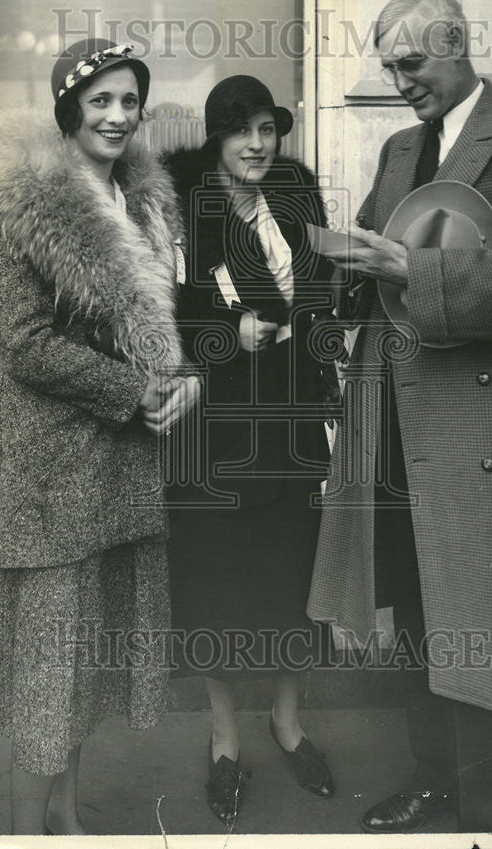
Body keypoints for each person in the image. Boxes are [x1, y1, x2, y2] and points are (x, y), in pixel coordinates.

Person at [307, 0, 492, 833]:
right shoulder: (400, 150)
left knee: (481, 612)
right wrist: (340, 272)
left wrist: (411, 273)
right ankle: (436, 781)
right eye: (389, 66)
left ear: (458, 43)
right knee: (415, 604)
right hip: (394, 416)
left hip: (481, 426)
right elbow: (372, 248)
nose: (400, 81)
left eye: (413, 63)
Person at [0, 38, 200, 835]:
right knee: (46, 678)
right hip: (58, 472)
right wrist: (134, 390)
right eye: (99, 99)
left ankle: (66, 824)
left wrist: (181, 381)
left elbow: (163, 329)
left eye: (129, 101)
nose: (116, 115)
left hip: (123, 469)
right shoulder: (26, 199)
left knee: (82, 675)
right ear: (69, 106)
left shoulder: (144, 202)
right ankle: (21, 833)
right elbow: (25, 344)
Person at [162, 76, 339, 825]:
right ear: (217, 140)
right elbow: (158, 322)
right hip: (214, 436)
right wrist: (227, 339)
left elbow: (325, 296)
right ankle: (226, 744)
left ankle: (288, 725)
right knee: (218, 589)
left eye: (268, 129)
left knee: (294, 587)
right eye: (242, 131)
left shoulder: (298, 201)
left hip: (292, 428)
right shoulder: (180, 213)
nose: (258, 144)